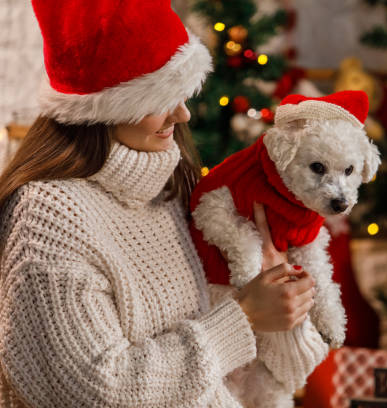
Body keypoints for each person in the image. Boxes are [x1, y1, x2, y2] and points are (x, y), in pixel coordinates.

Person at [0, 1, 328, 407]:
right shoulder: (49, 217)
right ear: (106, 105)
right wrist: (242, 318)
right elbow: (96, 390)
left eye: (183, 93)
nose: (183, 113)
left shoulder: (175, 190)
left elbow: (283, 374)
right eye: (160, 98)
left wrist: (283, 312)